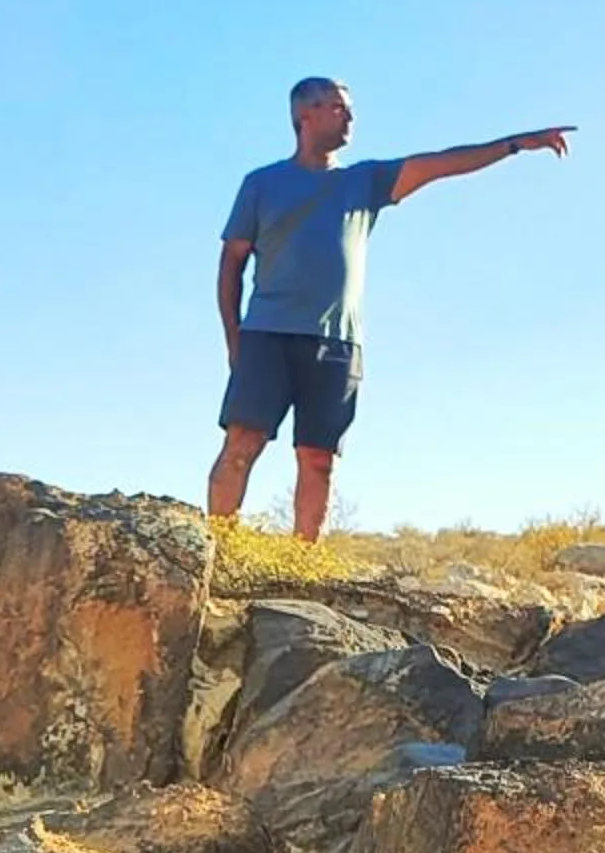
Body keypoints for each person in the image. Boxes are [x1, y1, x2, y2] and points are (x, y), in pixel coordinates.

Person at [211, 79, 573, 538]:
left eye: (350, 108)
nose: (350, 117)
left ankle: (298, 569)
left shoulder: (364, 181)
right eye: (338, 108)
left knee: (319, 459)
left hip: (338, 342)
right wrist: (234, 338)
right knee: (243, 443)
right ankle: (216, 553)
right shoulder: (261, 184)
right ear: (305, 115)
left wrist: (517, 144)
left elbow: (441, 164)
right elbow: (230, 266)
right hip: (267, 333)